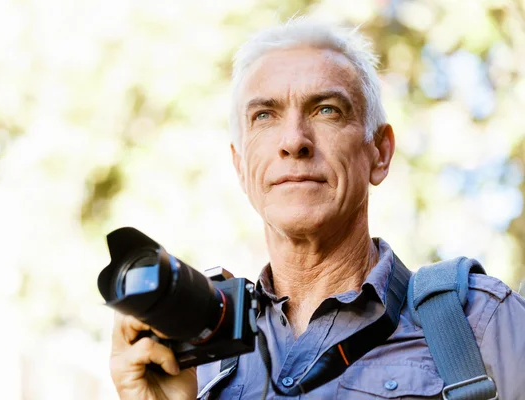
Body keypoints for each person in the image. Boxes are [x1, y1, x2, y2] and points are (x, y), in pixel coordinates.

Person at [108, 19, 525, 399]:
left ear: (379, 153)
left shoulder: (479, 322)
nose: (294, 140)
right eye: (265, 115)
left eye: (326, 109)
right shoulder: (197, 364)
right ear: (240, 166)